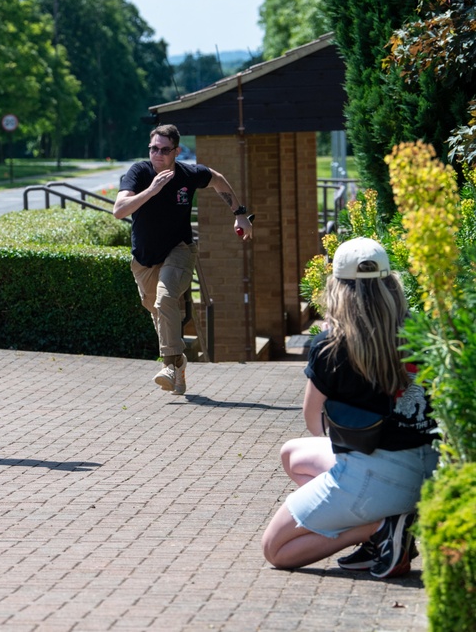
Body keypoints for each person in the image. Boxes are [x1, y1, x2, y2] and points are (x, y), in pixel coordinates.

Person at [261, 238, 438, 577]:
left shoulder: (331, 343)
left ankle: (377, 529)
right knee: (292, 454)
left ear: (338, 287)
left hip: (375, 476)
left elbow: (313, 417)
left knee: (276, 551)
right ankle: (382, 540)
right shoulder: (423, 330)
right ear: (390, 283)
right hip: (427, 473)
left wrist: (351, 460)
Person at [113, 124, 253, 395]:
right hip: (144, 260)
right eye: (153, 149)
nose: (158, 155)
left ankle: (168, 366)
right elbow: (119, 210)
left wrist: (239, 213)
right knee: (158, 312)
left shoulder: (189, 174)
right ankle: (179, 365)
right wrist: (151, 191)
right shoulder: (139, 173)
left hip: (180, 250)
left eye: (165, 150)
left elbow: (217, 179)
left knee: (166, 298)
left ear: (176, 151)